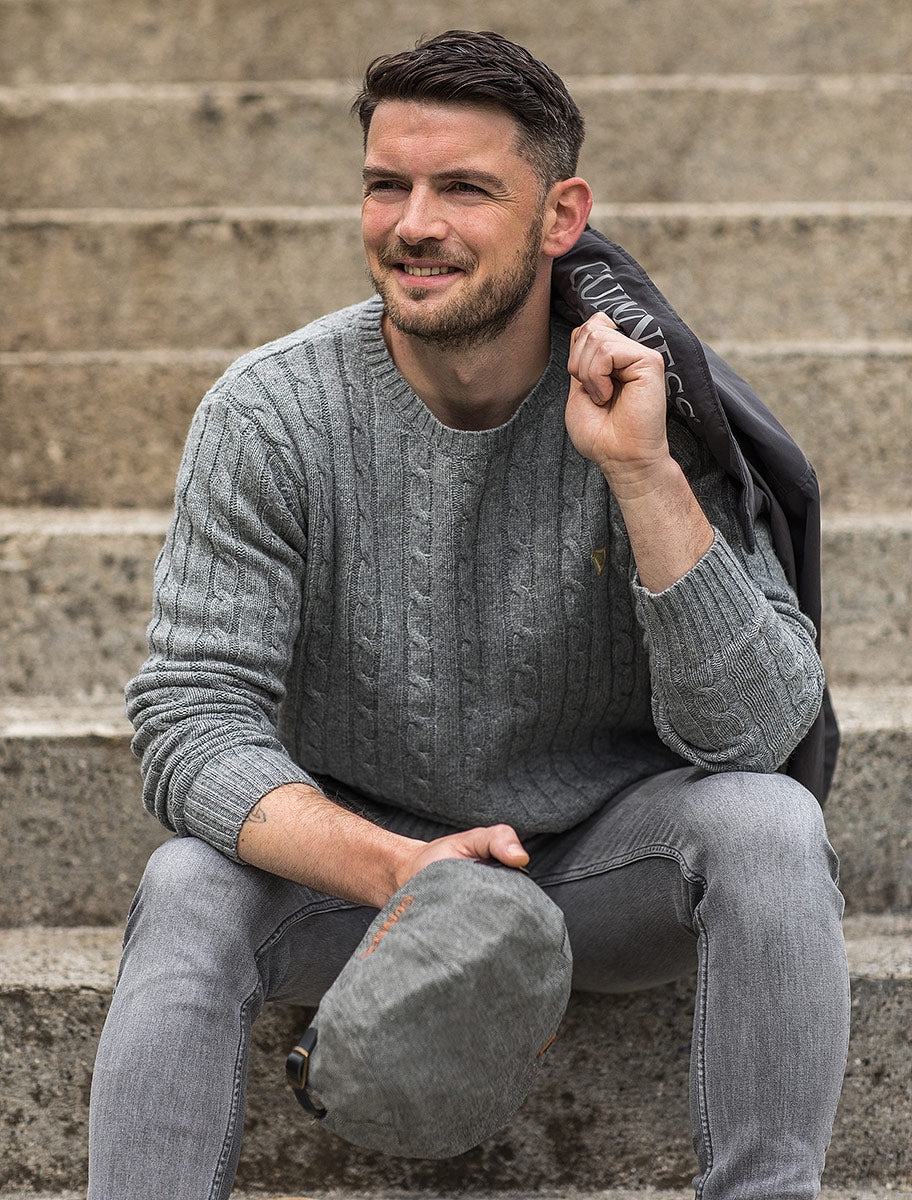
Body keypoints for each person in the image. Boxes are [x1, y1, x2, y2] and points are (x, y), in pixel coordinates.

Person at [87, 29, 850, 1200]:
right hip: (364, 881)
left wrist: (641, 475)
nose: (413, 224)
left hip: (598, 868)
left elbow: (752, 735)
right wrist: (401, 869)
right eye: (387, 184)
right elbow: (193, 723)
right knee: (188, 884)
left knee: (767, 825)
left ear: (559, 215)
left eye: (464, 188)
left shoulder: (653, 399)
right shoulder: (271, 415)